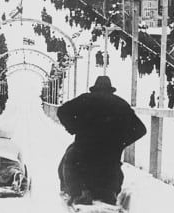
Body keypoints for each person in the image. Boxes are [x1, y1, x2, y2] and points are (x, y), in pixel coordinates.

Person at [57, 76, 146, 206]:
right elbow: (140, 129)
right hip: (110, 157)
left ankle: (78, 192)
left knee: (69, 161)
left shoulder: (86, 99)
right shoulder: (121, 104)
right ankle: (108, 193)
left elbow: (62, 111)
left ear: (95, 88)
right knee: (112, 169)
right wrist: (120, 142)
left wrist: (74, 128)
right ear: (111, 90)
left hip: (84, 150)